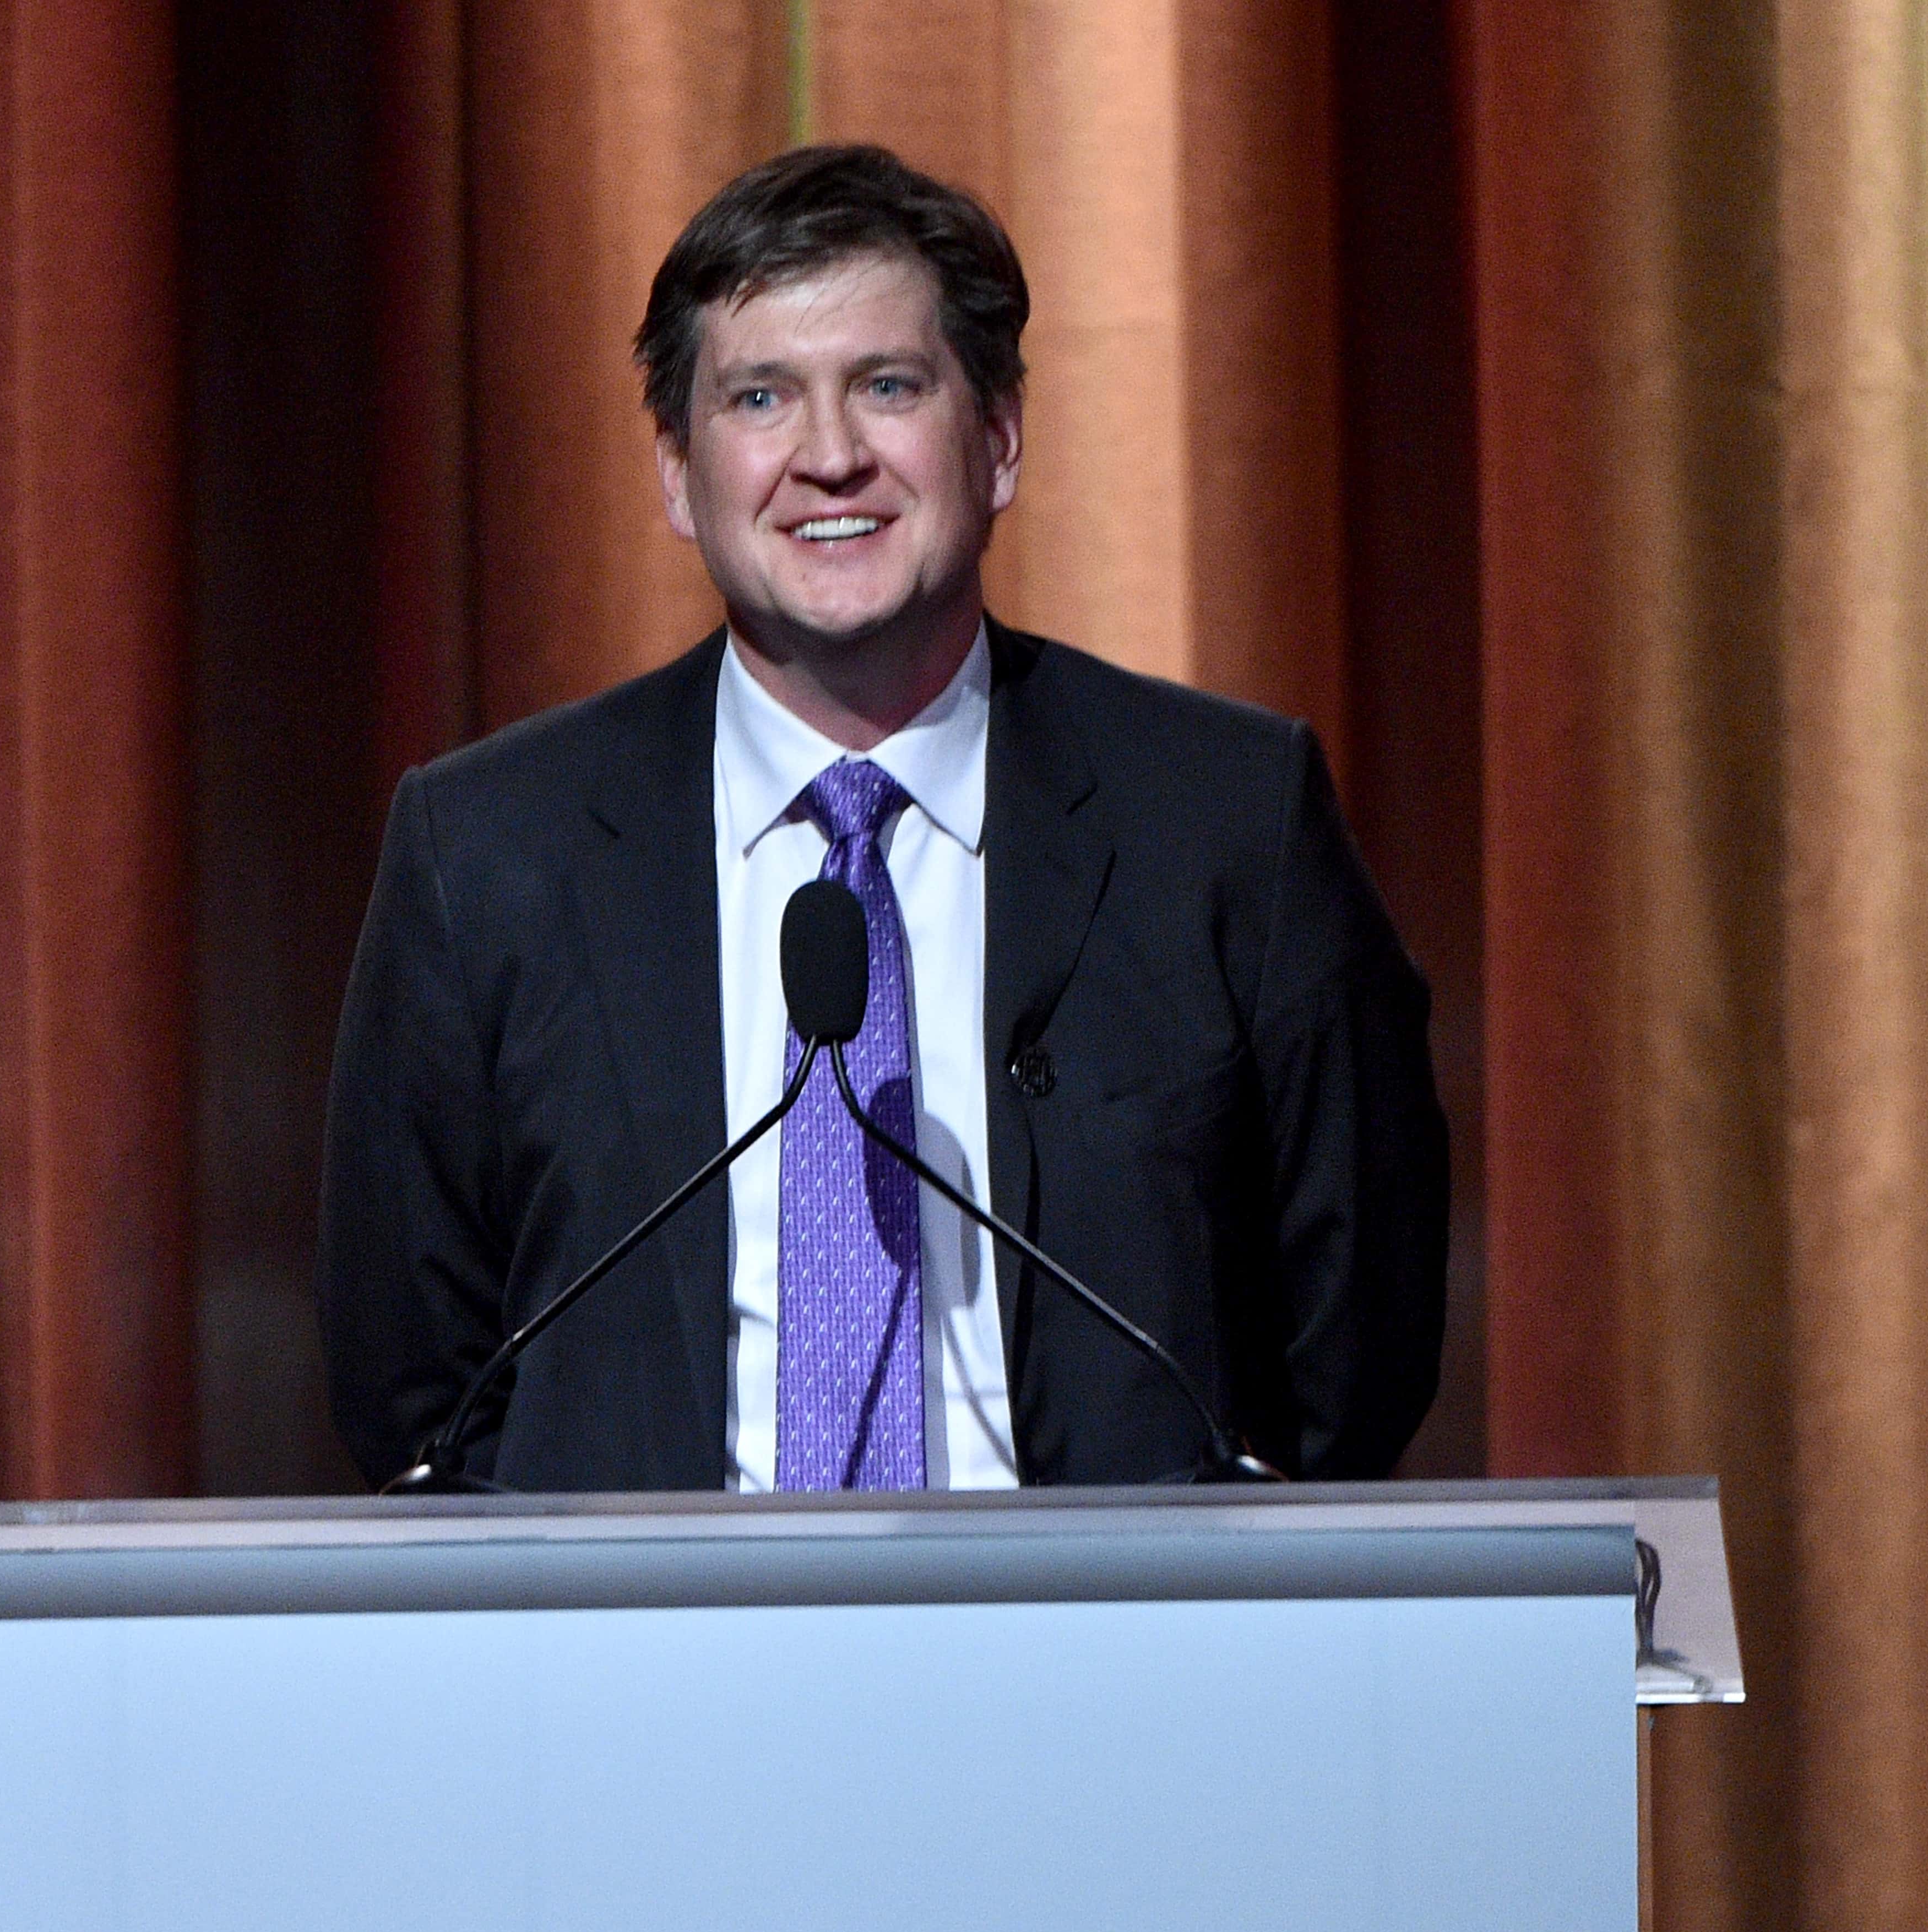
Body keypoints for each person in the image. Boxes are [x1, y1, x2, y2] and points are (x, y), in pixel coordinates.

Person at [318, 143, 1446, 1493]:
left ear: (1000, 439)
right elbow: (415, 1388)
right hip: (647, 1627)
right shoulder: (489, 852)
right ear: (676, 471)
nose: (831, 456)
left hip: (1113, 1622)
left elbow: (1355, 1344)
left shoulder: (1228, 822)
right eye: (760, 397)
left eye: (889, 386)